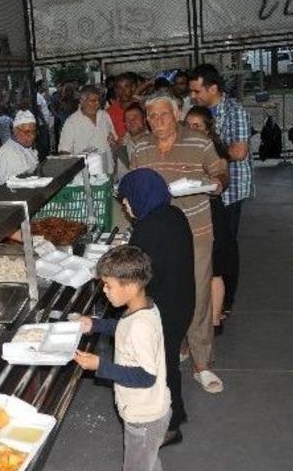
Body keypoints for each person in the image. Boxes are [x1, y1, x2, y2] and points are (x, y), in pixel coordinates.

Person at [131, 94, 228, 394]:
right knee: (161, 295)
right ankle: (170, 350)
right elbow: (136, 186)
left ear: (177, 115)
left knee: (198, 296)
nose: (157, 121)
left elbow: (220, 170)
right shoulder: (140, 147)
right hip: (159, 235)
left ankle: (202, 364)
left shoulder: (199, 141)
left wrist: (217, 184)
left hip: (196, 230)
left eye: (164, 114)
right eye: (152, 116)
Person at [73, 245, 171, 471]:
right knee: (148, 462)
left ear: (131, 286)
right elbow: (124, 327)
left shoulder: (141, 326)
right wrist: (94, 325)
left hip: (144, 416)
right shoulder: (143, 307)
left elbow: (146, 376)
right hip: (149, 409)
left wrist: (100, 365)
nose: (104, 290)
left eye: (108, 285)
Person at [117, 169, 194, 447]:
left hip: (162, 308)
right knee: (168, 360)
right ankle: (177, 413)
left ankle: (170, 427)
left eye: (127, 199)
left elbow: (137, 276)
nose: (125, 206)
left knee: (161, 367)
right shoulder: (174, 214)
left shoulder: (148, 228)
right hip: (182, 300)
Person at [188, 64, 252, 315]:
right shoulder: (197, 112)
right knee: (208, 245)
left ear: (213, 88)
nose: (192, 96)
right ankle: (210, 295)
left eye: (196, 91)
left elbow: (239, 151)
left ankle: (226, 300)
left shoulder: (235, 112)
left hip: (230, 190)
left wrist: (207, 151)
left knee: (226, 246)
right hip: (203, 191)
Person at [185, 106, 234, 332]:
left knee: (214, 268)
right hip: (189, 212)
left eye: (197, 126)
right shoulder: (182, 149)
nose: (191, 129)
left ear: (208, 129)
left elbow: (223, 178)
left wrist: (214, 183)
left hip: (211, 212)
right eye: (188, 125)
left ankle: (215, 321)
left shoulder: (215, 151)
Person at [59, 85, 118, 176]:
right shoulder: (72, 122)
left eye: (98, 100)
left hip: (108, 170)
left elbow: (114, 141)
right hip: (85, 174)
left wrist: (113, 143)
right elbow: (64, 152)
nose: (97, 104)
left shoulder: (104, 116)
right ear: (82, 101)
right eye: (93, 101)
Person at [0, 110, 39, 184]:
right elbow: (9, 185)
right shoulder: (8, 152)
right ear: (15, 131)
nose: (32, 136)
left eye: (34, 131)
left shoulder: (25, 145)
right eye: (27, 132)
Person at [107, 73, 138, 140]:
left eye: (126, 86)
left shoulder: (142, 108)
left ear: (133, 87)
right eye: (119, 88)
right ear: (116, 90)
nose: (123, 91)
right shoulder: (110, 112)